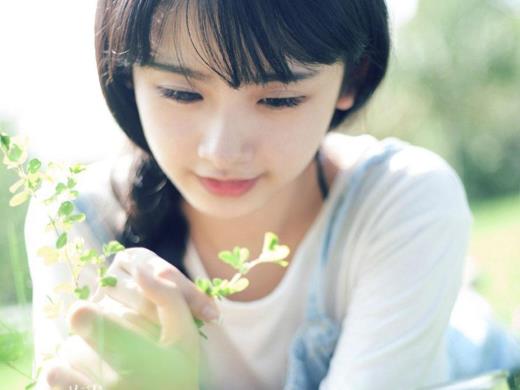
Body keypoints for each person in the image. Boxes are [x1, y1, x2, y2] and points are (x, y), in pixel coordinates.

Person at [24, 0, 520, 389]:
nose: (222, 150)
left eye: (279, 99)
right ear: (127, 75)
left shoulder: (402, 199)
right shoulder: (75, 220)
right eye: (181, 92)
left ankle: (461, 296)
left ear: (353, 77)